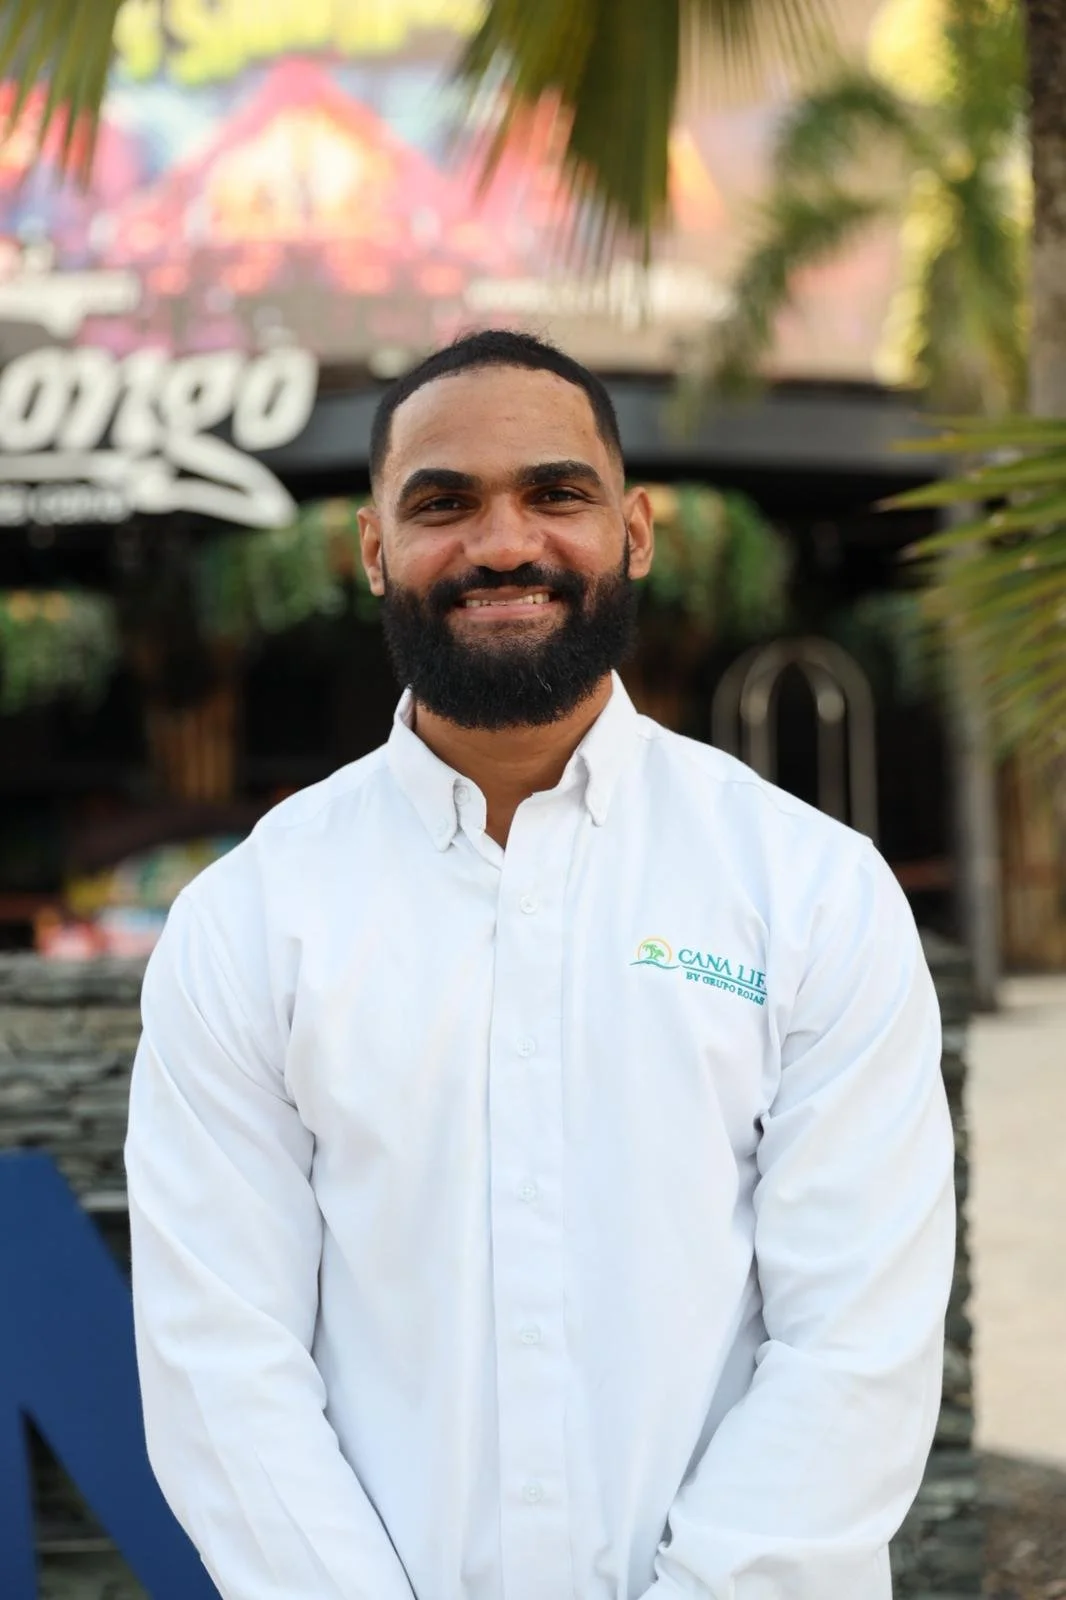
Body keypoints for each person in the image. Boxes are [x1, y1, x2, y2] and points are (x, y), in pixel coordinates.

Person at [125, 329, 956, 1600]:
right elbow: (221, 1360)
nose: (503, 544)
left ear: (634, 532)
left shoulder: (810, 888)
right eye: (443, 502)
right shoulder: (250, 916)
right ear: (372, 551)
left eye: (554, 494)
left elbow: (854, 1343)